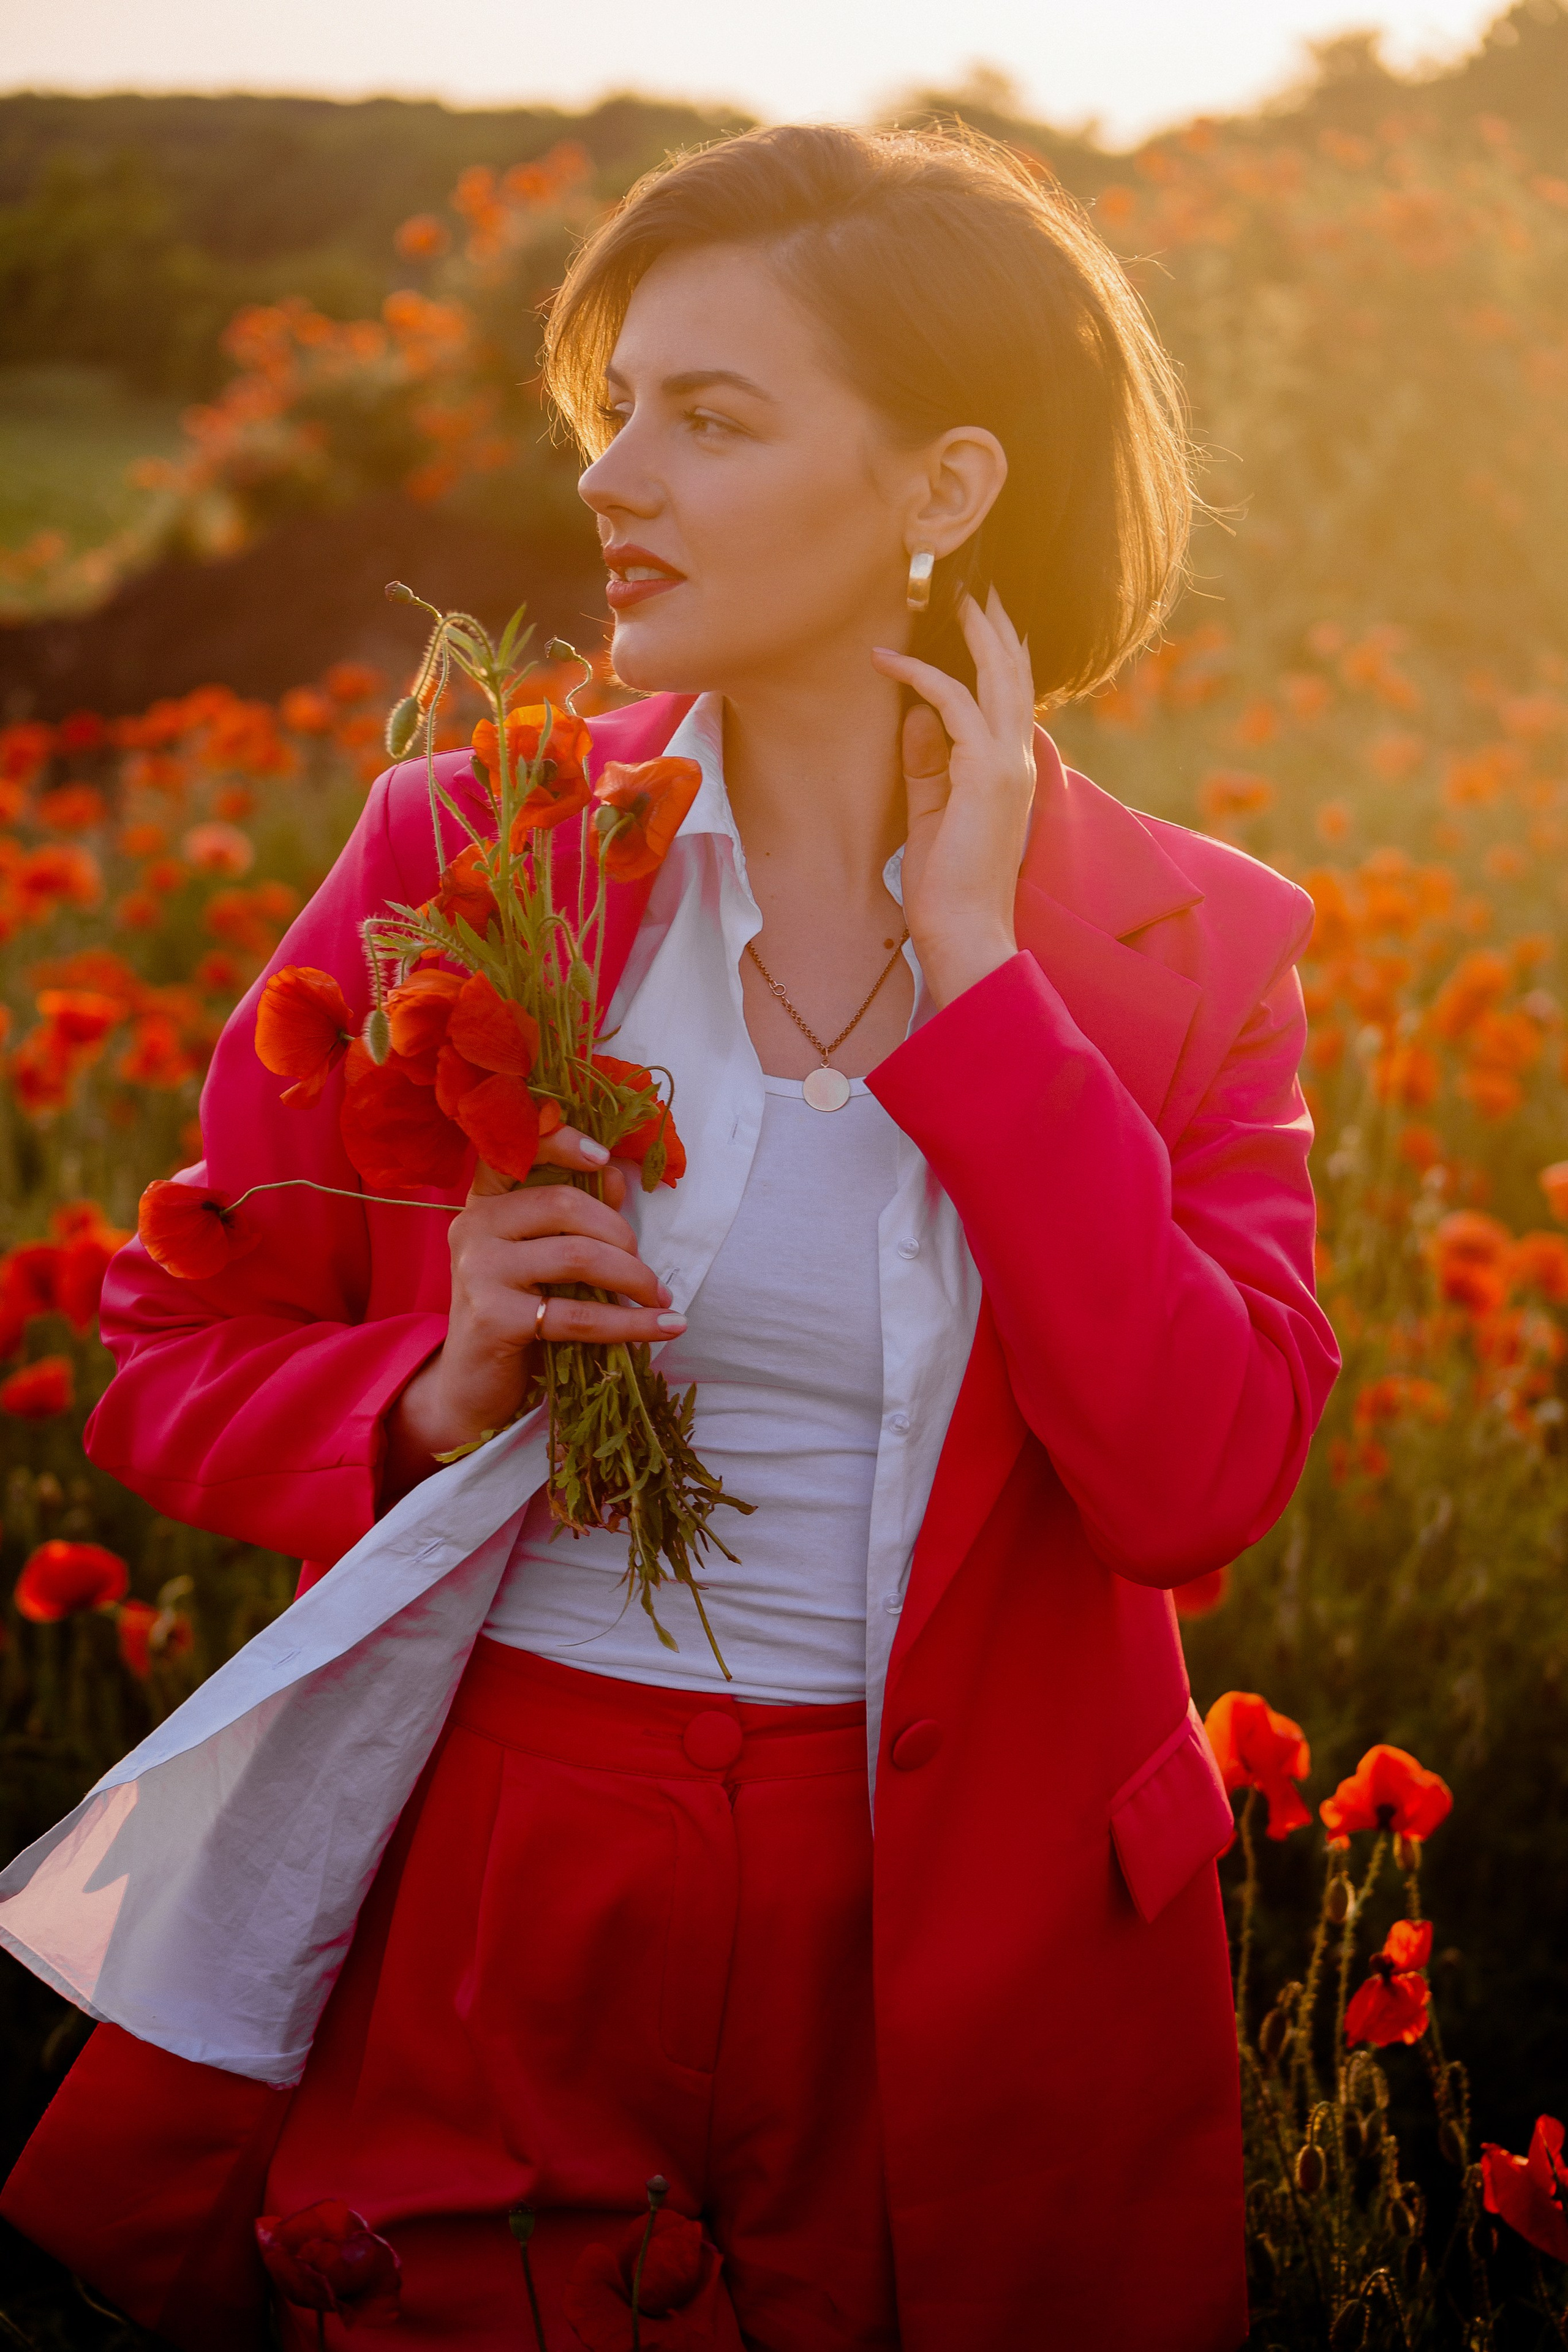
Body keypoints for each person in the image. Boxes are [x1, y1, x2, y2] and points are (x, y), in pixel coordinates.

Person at [0, 123, 1339, 2351]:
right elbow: (165, 1343)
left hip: (958, 1944)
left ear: (941, 488)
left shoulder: (1185, 949)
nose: (614, 477)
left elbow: (1197, 1480)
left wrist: (982, 989)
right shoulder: (465, 848)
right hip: (497, 1892)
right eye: (617, 408)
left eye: (710, 419)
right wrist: (430, 1389)